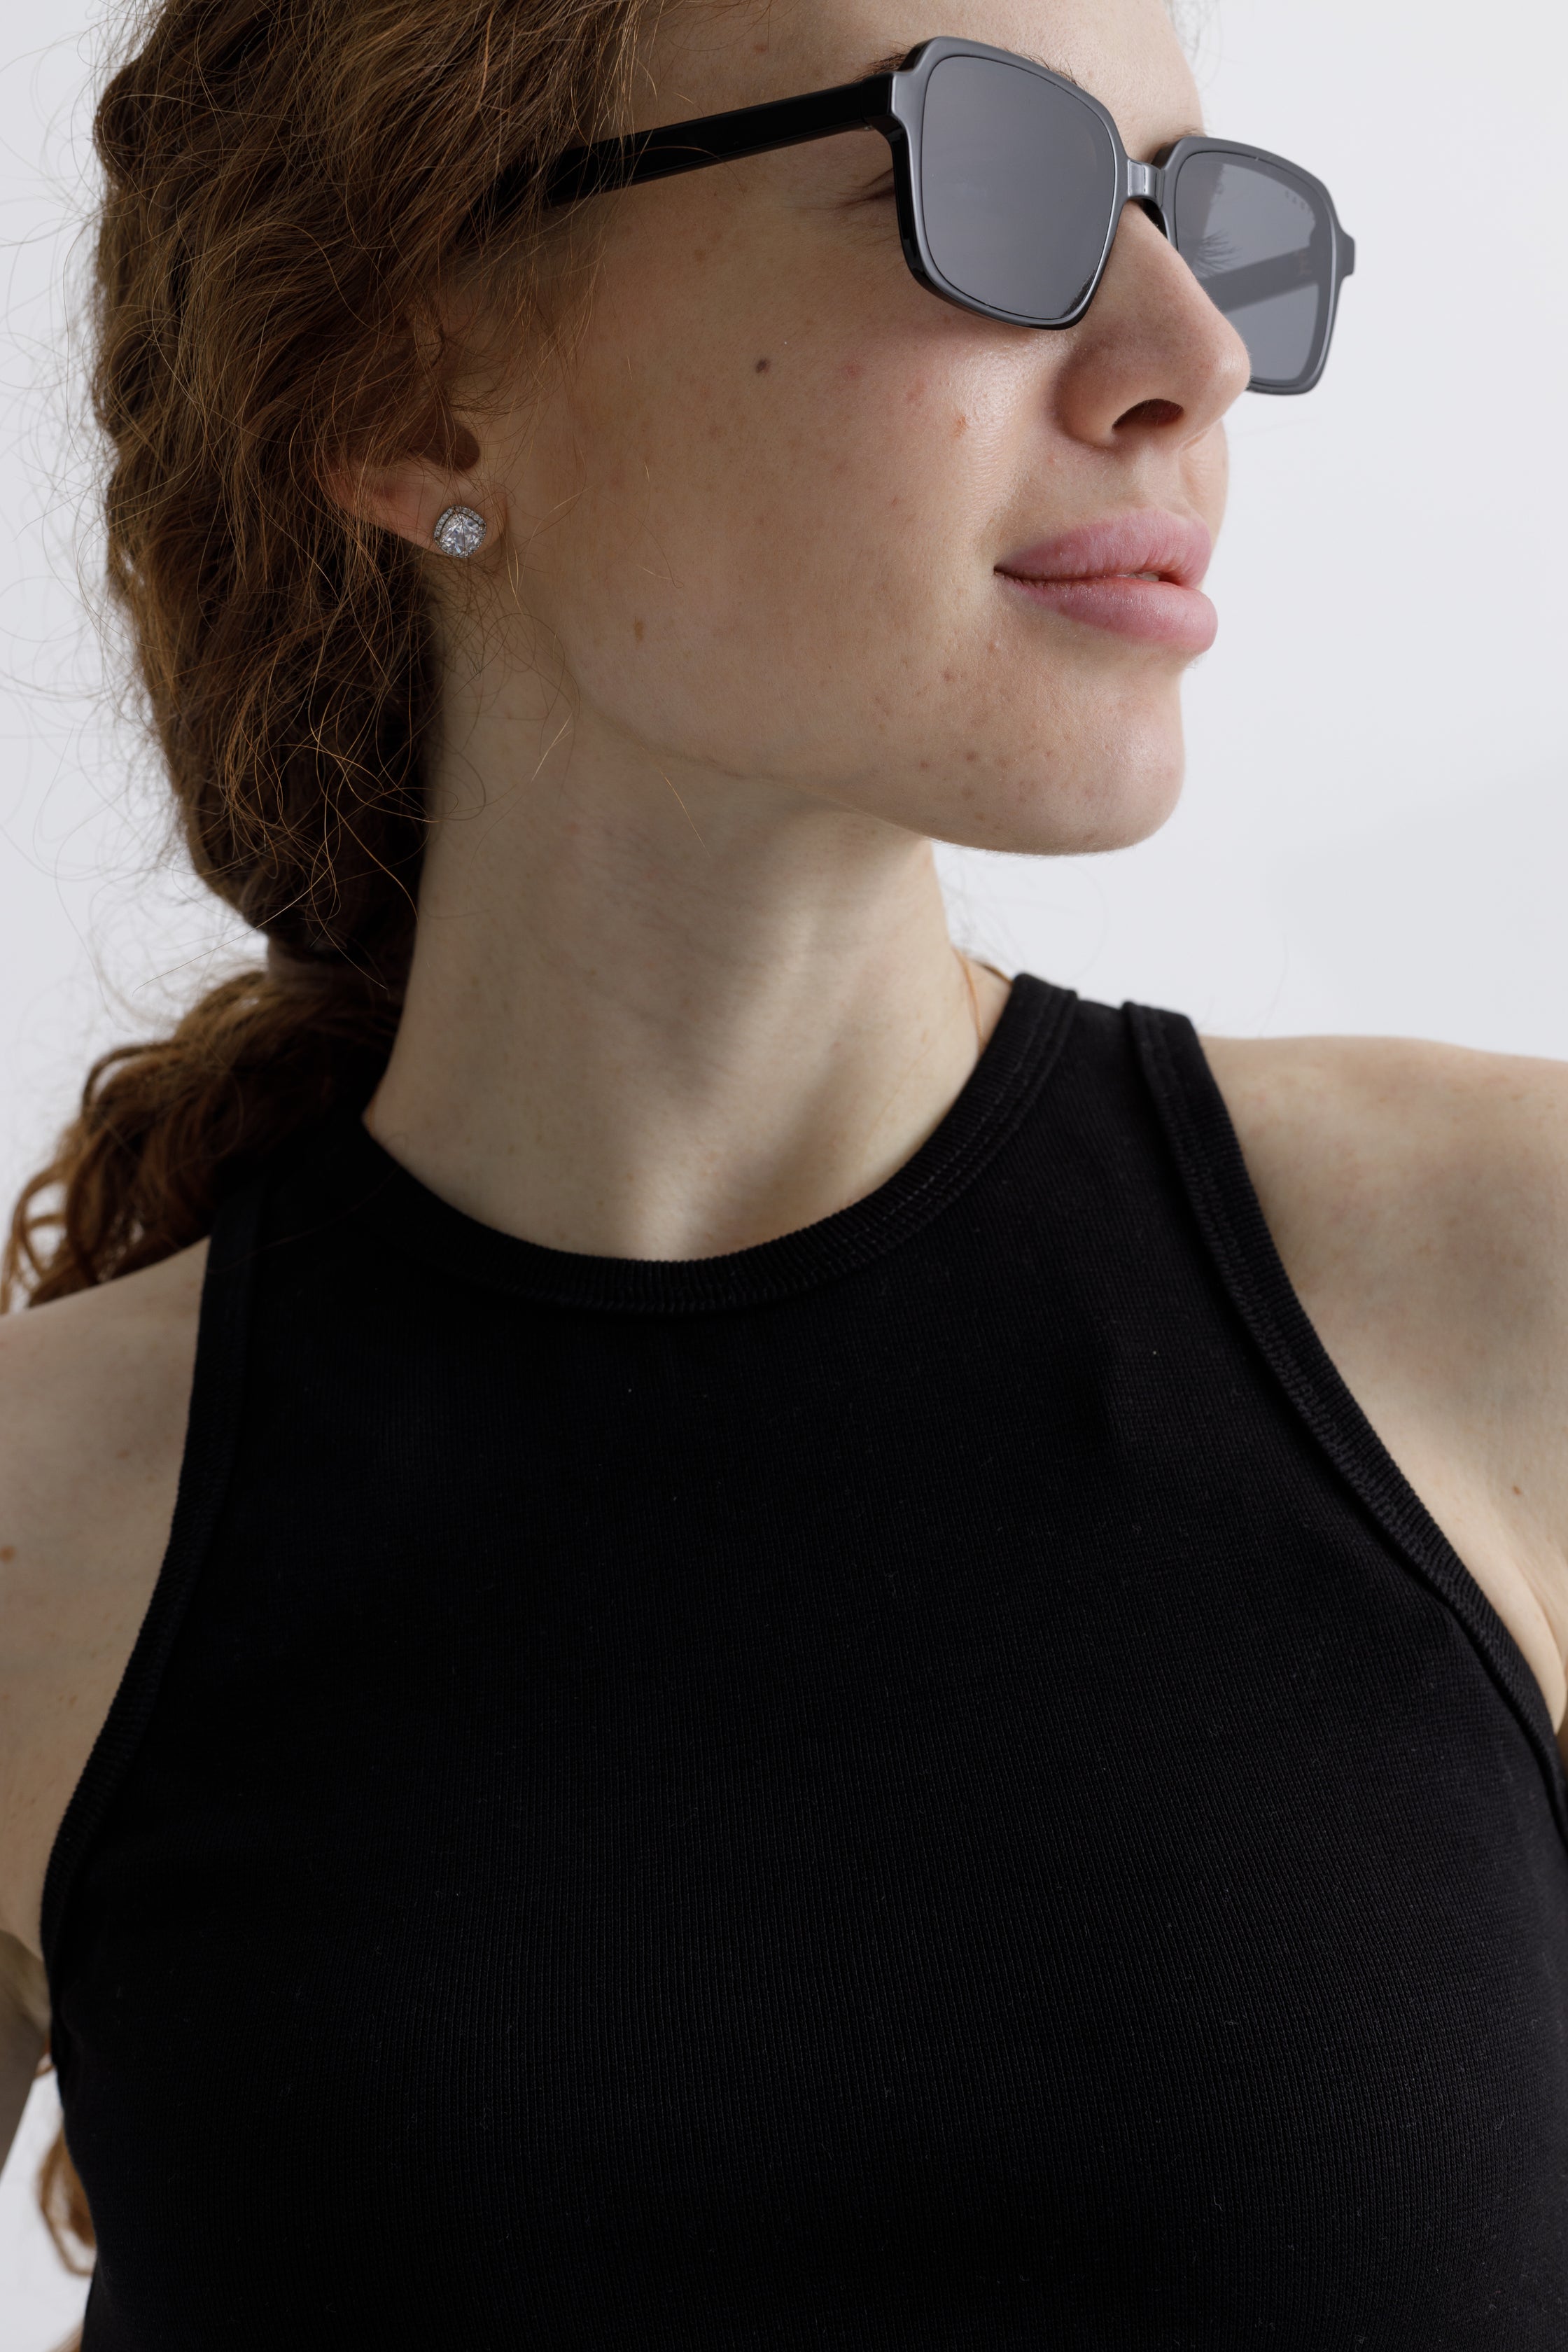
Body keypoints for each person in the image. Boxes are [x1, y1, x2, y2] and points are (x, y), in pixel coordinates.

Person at [2, 0, 1566, 2341]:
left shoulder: (1516, 1294)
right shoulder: (42, 1540)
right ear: (414, 393)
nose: (1193, 358)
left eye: (1193, 219)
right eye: (996, 183)